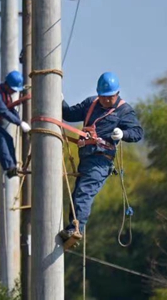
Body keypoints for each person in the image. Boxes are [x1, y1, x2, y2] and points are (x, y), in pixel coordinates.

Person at [60, 72, 143, 240]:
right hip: (86, 158)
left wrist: (123, 133)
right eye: (103, 96)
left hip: (101, 160)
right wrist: (59, 100)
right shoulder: (90, 103)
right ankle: (73, 227)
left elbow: (137, 133)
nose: (105, 100)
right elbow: (68, 114)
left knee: (84, 192)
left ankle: (75, 229)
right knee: (77, 194)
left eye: (109, 97)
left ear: (117, 94)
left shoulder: (124, 111)